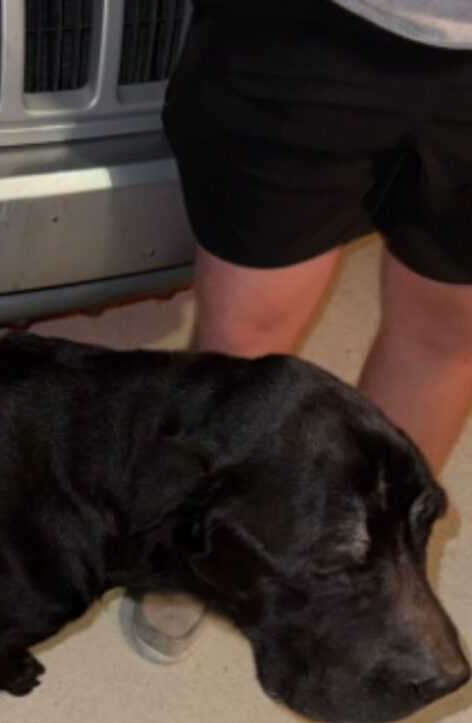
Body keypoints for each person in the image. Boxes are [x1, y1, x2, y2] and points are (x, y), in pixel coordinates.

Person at [128, 0, 472, 664]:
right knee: (244, 338)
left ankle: (372, 570)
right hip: (315, 28)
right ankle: (194, 546)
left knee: (447, 332)